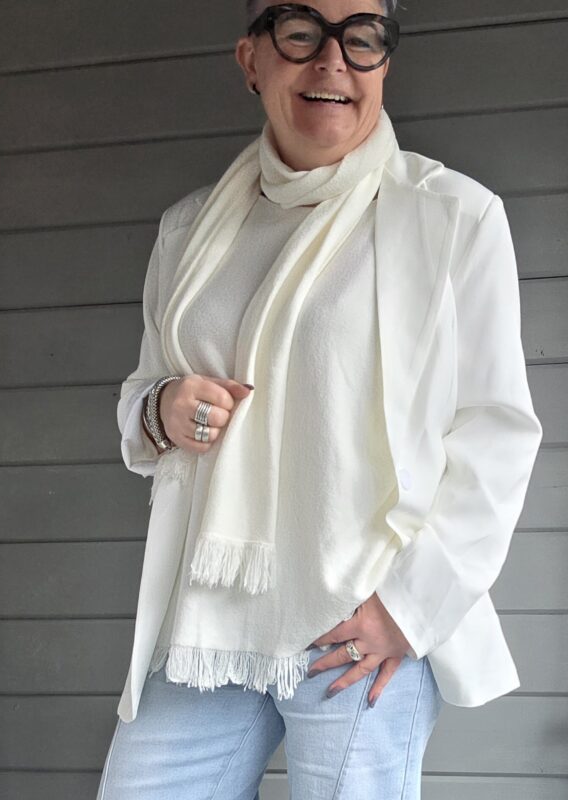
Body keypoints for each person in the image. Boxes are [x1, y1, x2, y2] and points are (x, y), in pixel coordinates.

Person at [96, 1, 543, 798]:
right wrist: (163, 409)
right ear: (251, 59)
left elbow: (496, 432)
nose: (333, 60)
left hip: (353, 624)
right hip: (207, 619)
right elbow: (143, 397)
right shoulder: (190, 232)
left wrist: (407, 609)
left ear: (383, 63)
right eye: (301, 32)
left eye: (361, 38)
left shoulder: (450, 216)